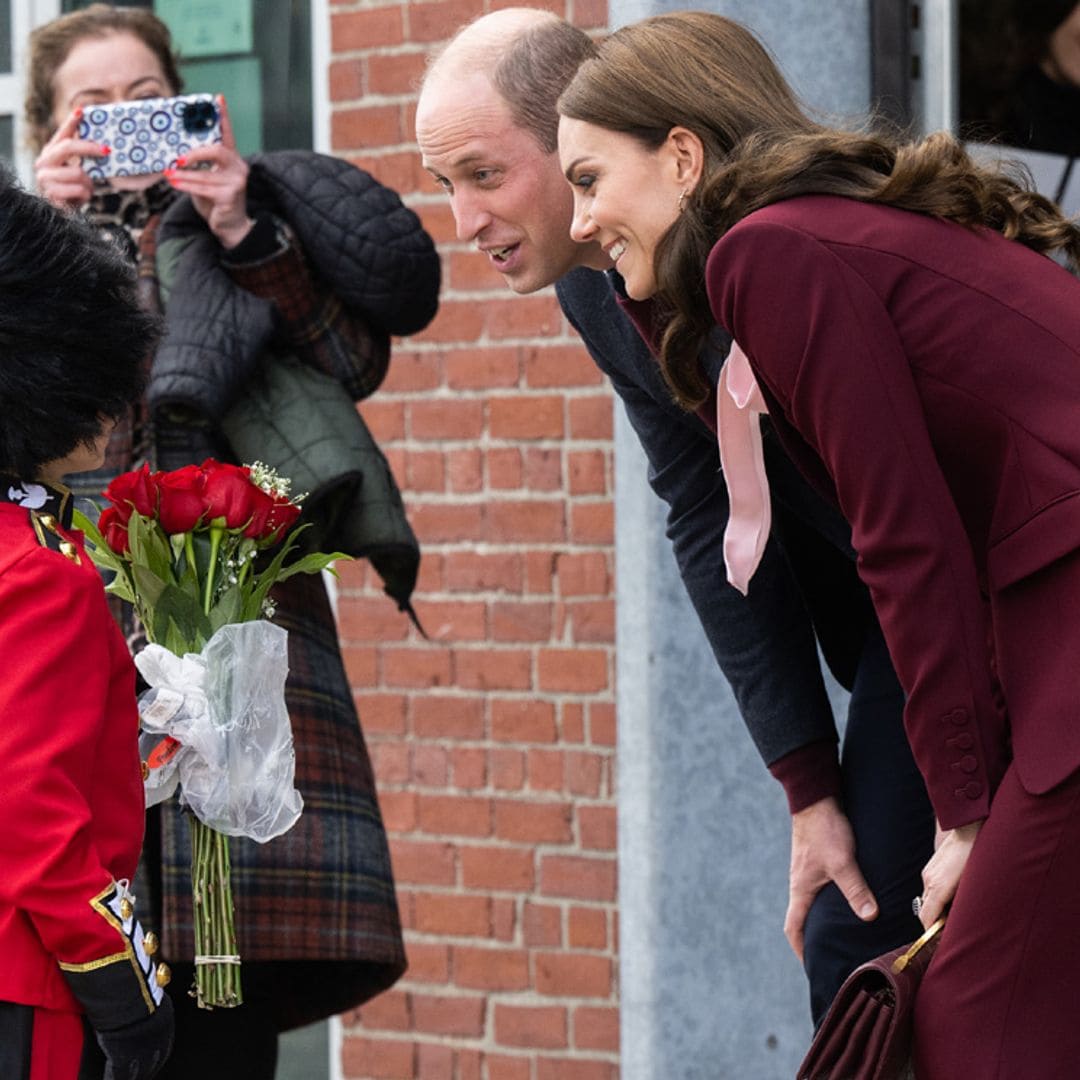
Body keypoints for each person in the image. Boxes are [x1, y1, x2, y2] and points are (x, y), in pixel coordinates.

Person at [557, 10, 1080, 1074]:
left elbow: (905, 540)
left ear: (683, 156)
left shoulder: (770, 253)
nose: (581, 224)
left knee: (975, 1019)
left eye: (587, 179)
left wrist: (965, 815)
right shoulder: (801, 240)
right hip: (1047, 619)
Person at [415, 7, 934, 1024]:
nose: (463, 222)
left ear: (577, 145)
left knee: (862, 946)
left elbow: (923, 517)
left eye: (483, 175)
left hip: (980, 595)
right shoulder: (598, 292)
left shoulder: (773, 255)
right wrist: (806, 786)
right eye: (444, 186)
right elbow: (706, 509)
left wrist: (955, 799)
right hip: (891, 622)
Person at [27, 6, 441, 1077]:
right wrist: (41, 232)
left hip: (235, 614)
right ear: (49, 125)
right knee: (84, 910)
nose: (123, 125)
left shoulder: (239, 235)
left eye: (145, 102)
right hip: (73, 617)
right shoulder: (25, 258)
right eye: (94, 108)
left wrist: (245, 232)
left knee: (230, 961)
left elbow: (347, 368)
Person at [0, 169, 172, 1078]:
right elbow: (30, 810)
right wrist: (124, 985)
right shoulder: (40, 574)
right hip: (24, 975)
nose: (112, 413)